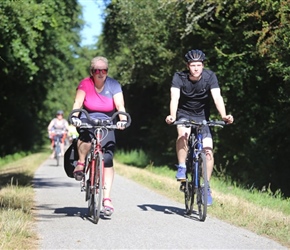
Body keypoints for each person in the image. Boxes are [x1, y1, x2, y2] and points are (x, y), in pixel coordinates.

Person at [165, 49, 234, 206]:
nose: (196, 68)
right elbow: (174, 98)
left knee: (208, 151)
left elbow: (217, 97)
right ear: (188, 66)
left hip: (202, 117)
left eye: (199, 65)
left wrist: (224, 115)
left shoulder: (210, 77)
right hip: (183, 114)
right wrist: (172, 116)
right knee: (184, 134)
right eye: (192, 65)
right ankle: (182, 166)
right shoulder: (179, 77)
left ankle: (206, 187)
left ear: (203, 65)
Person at [70, 56, 128, 216]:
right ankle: (81, 163)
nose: (101, 73)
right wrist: (75, 116)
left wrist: (122, 120)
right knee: (86, 140)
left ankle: (107, 199)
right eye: (97, 70)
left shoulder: (114, 85)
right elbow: (78, 103)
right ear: (92, 72)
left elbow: (120, 105)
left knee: (108, 159)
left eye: (104, 70)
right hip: (87, 119)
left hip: (107, 121)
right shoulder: (85, 84)